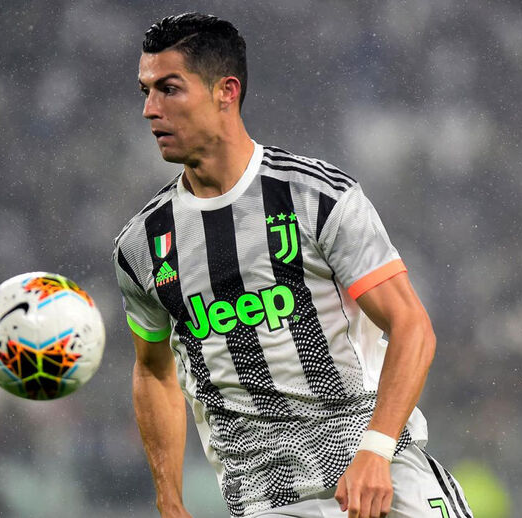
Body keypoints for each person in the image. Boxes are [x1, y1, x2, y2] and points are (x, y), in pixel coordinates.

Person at [113, 13, 473, 518]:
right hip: (268, 501)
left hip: (381, 477)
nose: (150, 109)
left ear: (226, 91)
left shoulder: (316, 197)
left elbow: (412, 326)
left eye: (169, 89)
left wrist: (376, 450)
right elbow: (153, 370)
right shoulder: (143, 245)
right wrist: (168, 499)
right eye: (145, 91)